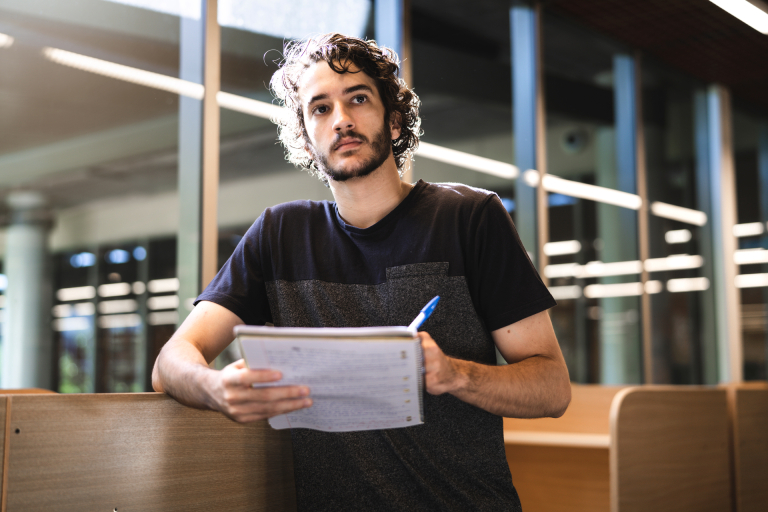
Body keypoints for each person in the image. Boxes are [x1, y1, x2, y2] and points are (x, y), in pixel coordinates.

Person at [153, 33, 571, 511]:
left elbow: (552, 388)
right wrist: (215, 388)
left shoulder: (470, 217)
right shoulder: (279, 233)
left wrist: (455, 375)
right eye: (320, 108)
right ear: (308, 141)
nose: (342, 120)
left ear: (393, 121)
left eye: (358, 99)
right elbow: (171, 361)